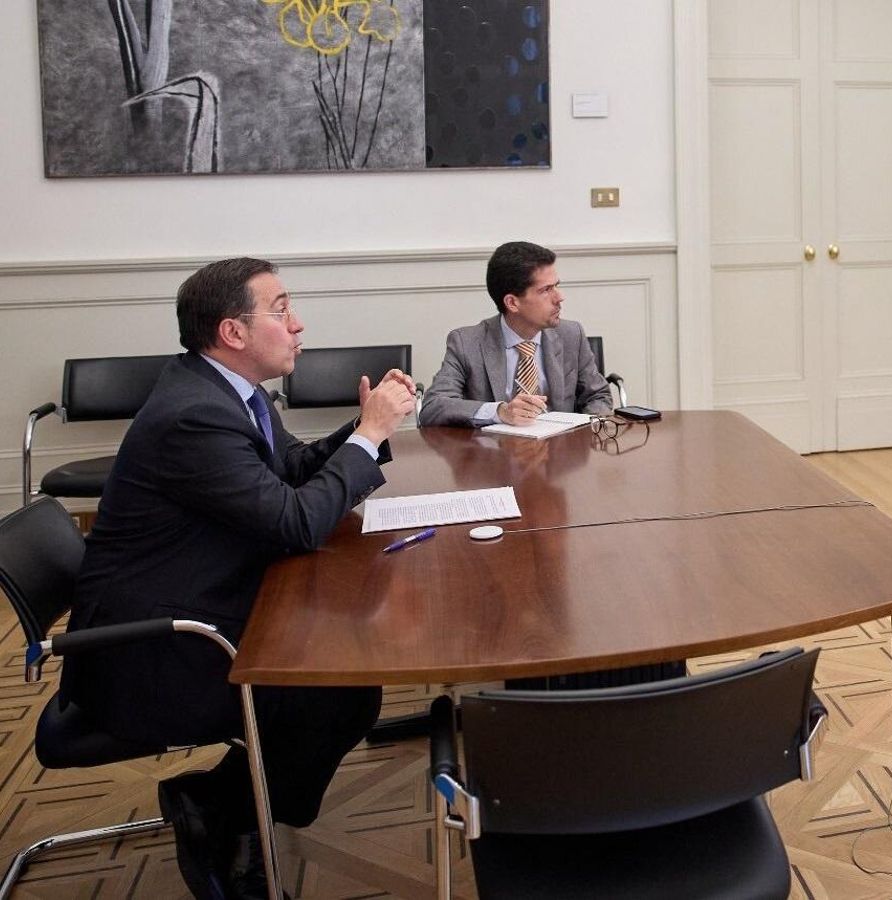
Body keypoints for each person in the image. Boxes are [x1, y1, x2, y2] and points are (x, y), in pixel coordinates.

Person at [63, 258, 416, 899]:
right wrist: (367, 437)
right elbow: (295, 520)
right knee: (333, 689)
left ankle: (224, 804)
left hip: (206, 599)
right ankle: (219, 808)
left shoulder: (229, 391)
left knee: (343, 676)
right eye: (281, 310)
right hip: (154, 647)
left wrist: (363, 428)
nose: (298, 323)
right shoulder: (193, 414)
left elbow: (285, 473)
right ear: (233, 332)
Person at [420, 241, 612, 427]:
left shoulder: (571, 335)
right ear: (512, 303)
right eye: (546, 290)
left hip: (560, 453)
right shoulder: (467, 343)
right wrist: (499, 412)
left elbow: (598, 396)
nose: (560, 297)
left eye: (556, 285)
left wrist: (583, 433)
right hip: (494, 455)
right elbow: (433, 406)